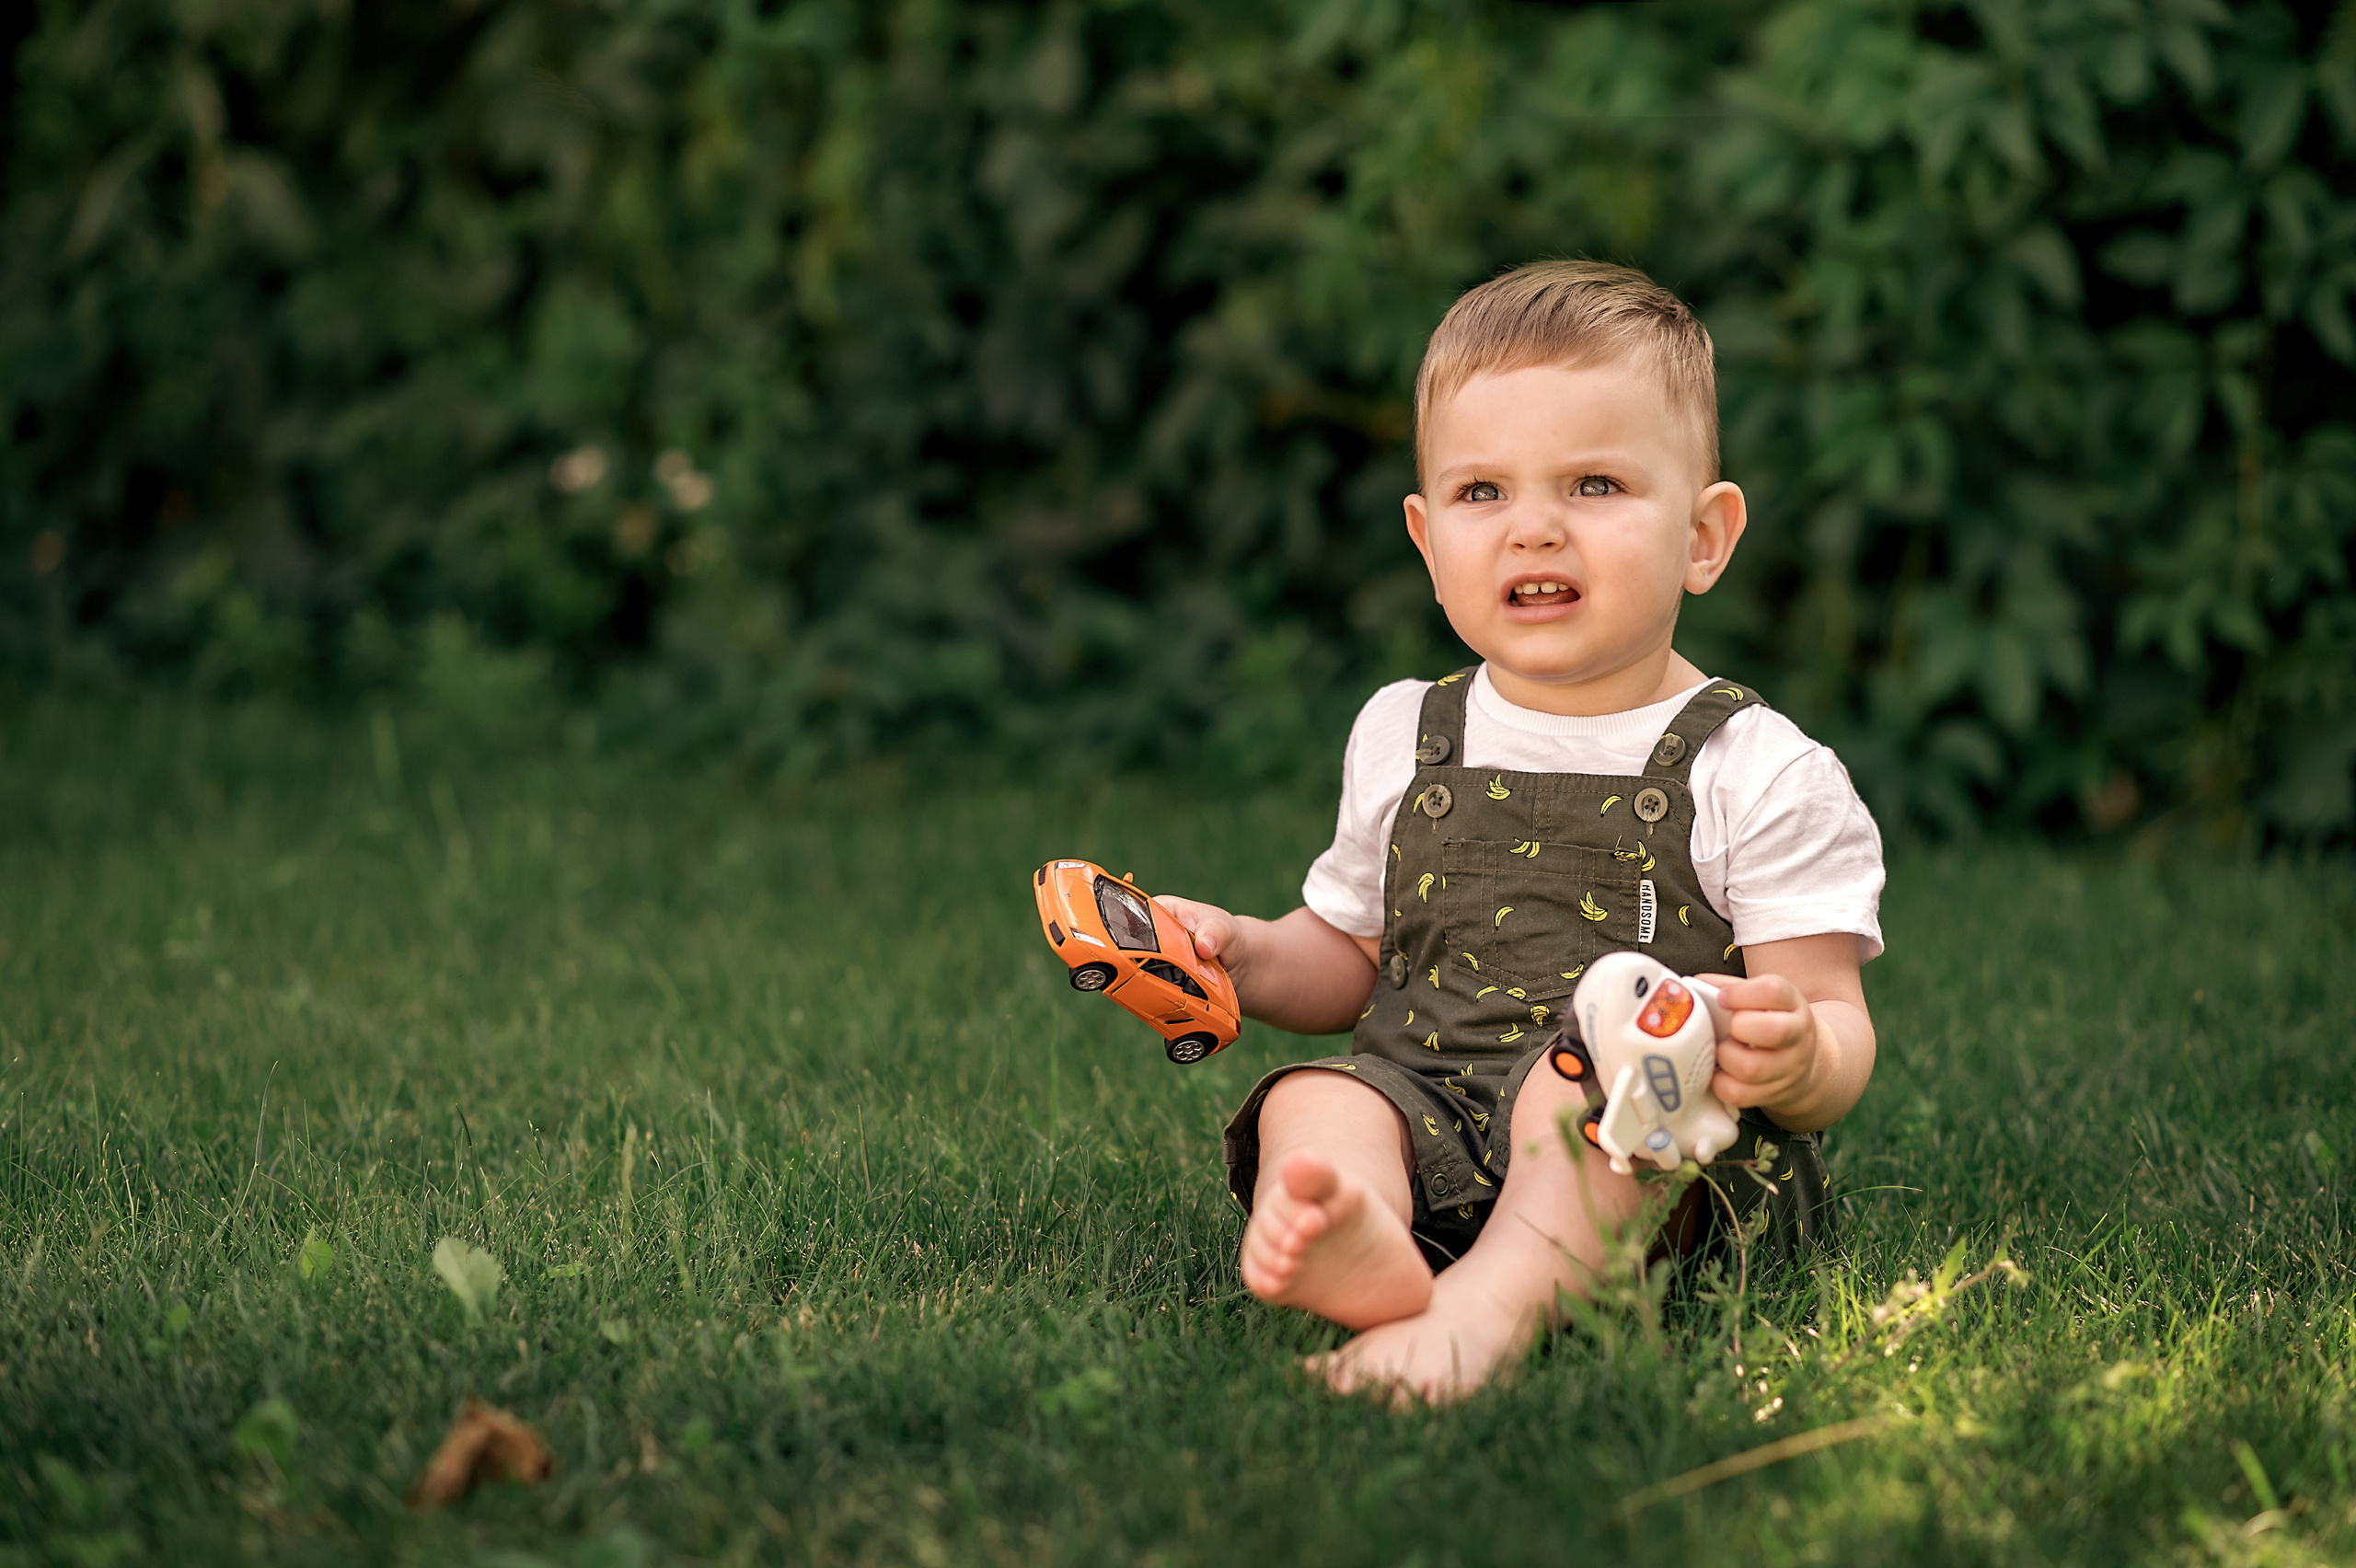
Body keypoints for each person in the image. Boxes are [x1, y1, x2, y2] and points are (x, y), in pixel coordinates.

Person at [1158, 259, 1885, 1404]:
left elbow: (1835, 1023)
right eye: (1481, 492)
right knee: (1318, 1099)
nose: (1533, 529)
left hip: (1652, 1160)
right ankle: (1365, 1230)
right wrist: (1245, 954)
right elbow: (1351, 961)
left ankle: (1485, 1308)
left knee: (1585, 1081)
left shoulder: (1759, 769)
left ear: (1704, 537)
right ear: (1425, 534)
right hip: (1433, 1111)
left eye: (1593, 485)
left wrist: (1800, 1056)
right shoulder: (1406, 732)